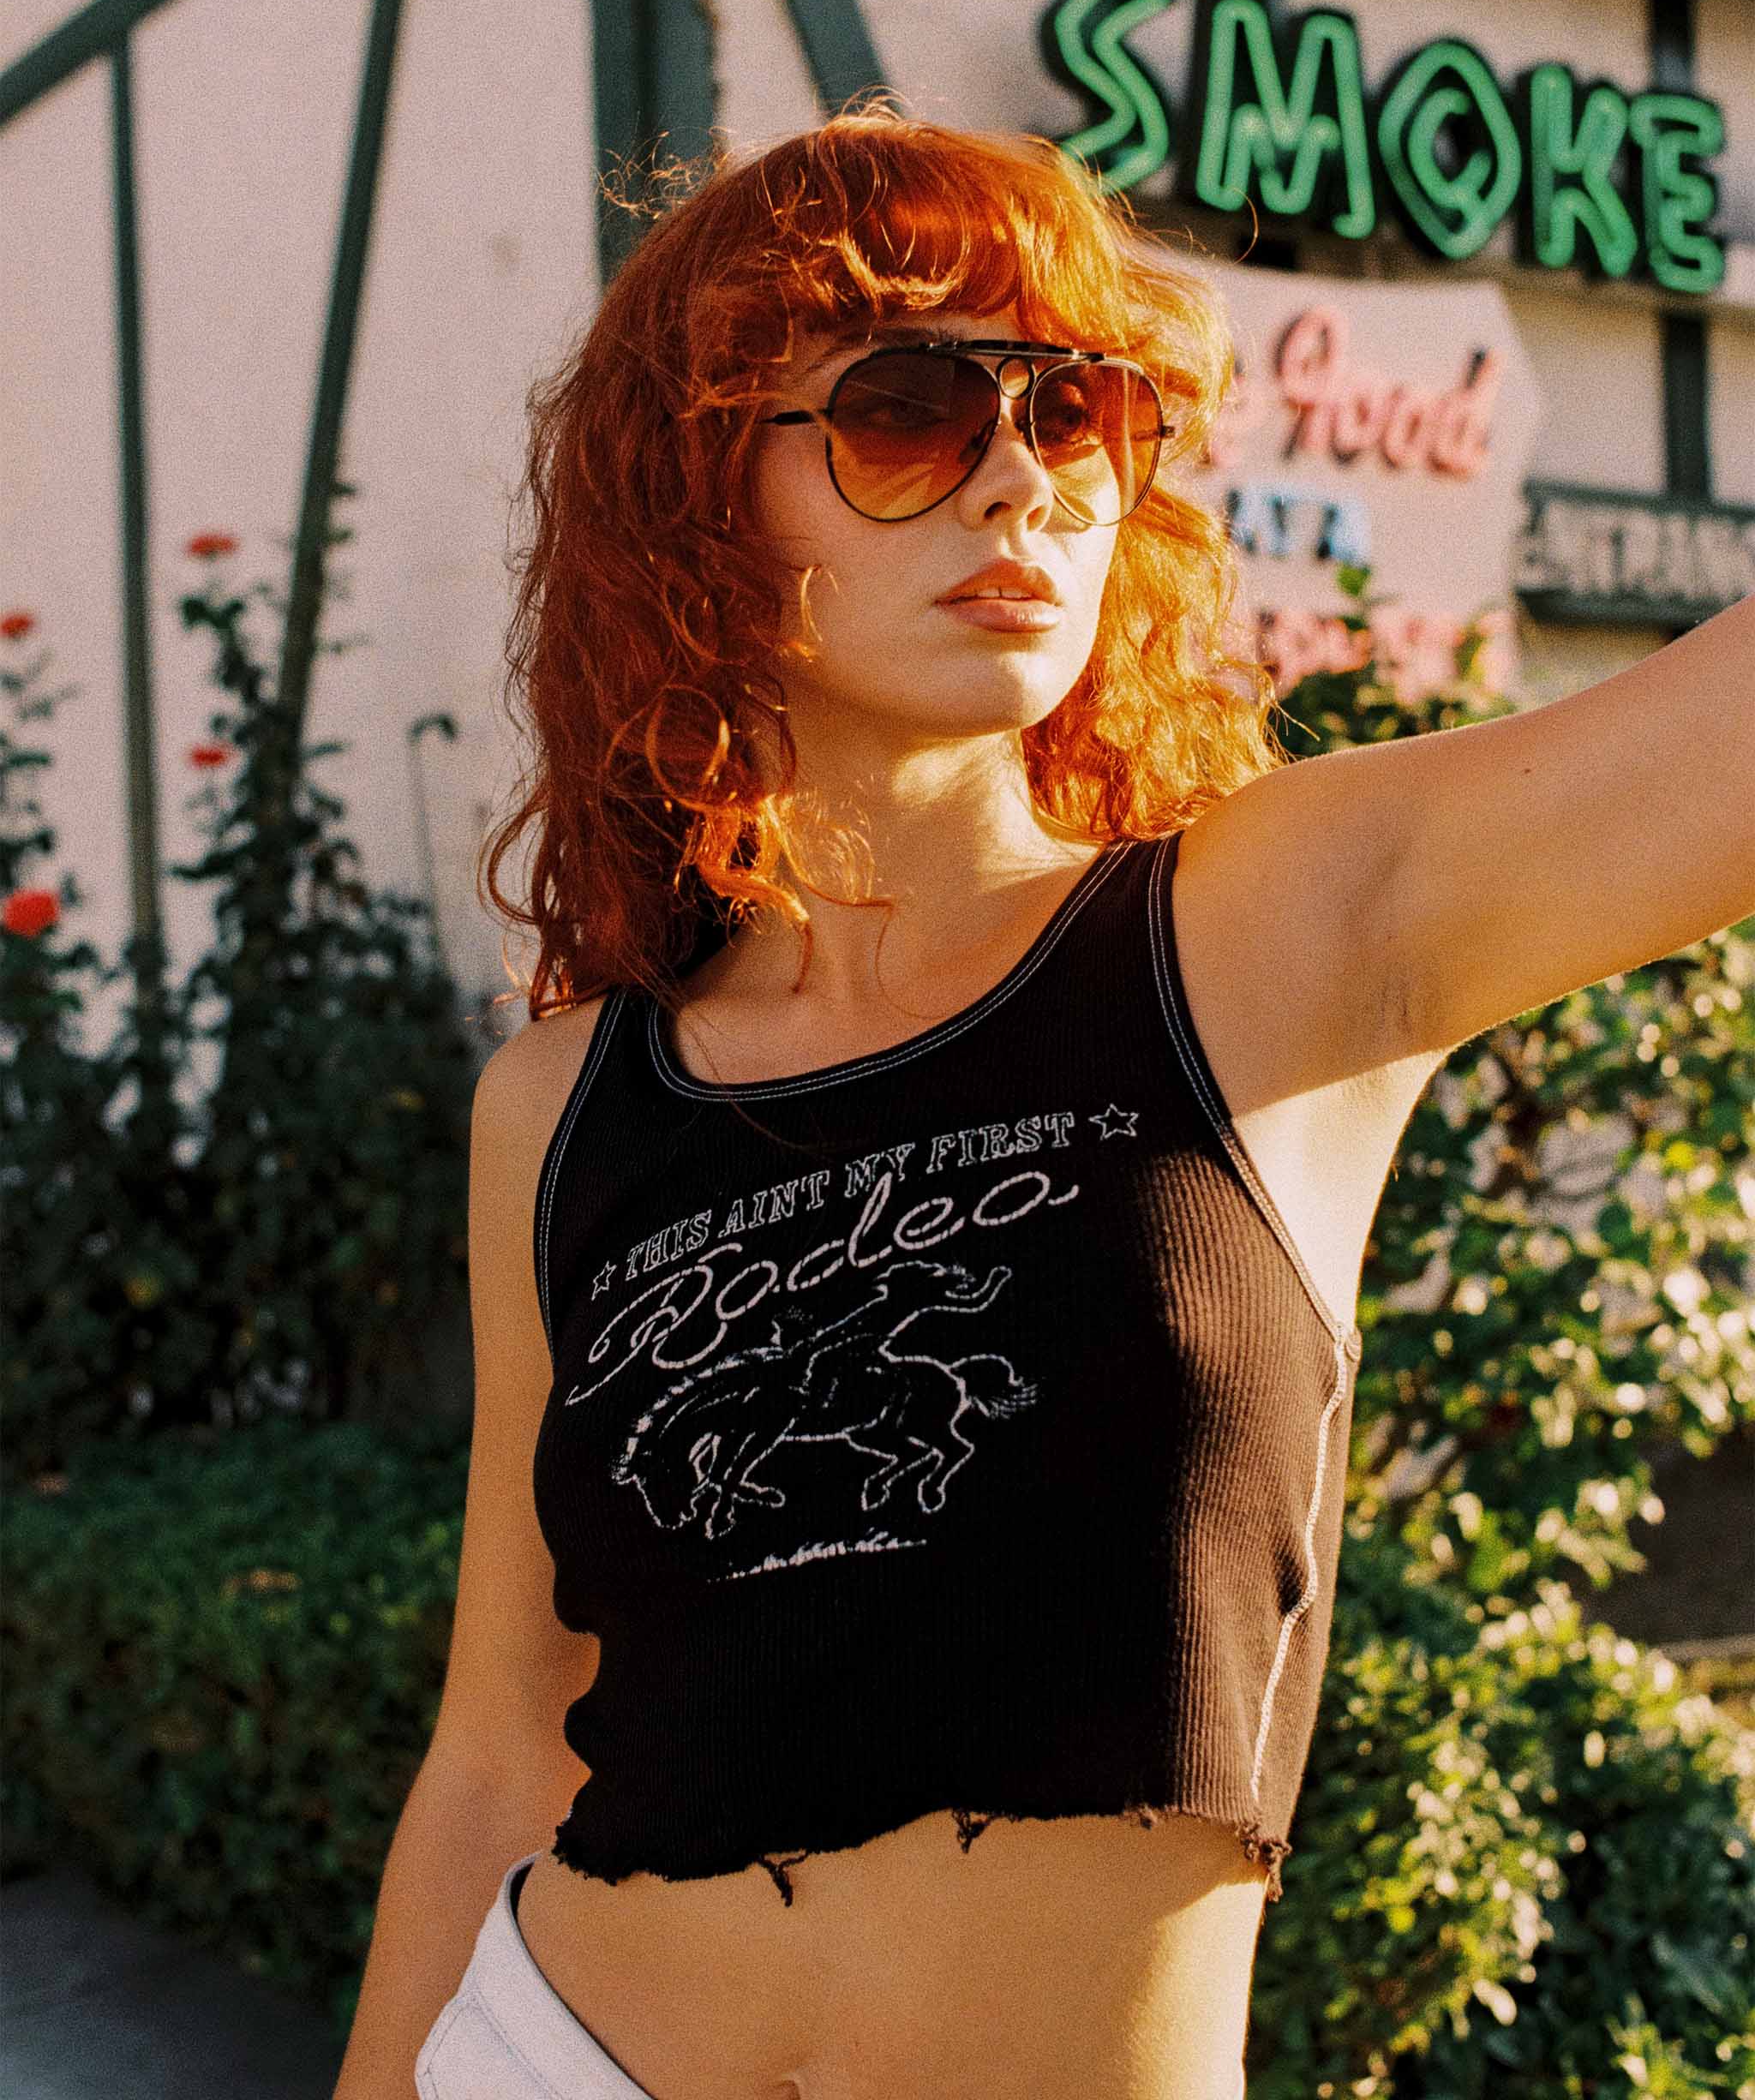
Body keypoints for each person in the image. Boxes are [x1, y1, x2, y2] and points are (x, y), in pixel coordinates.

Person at [331, 108, 1755, 2100]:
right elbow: (505, 1730)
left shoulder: (1268, 934)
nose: (1016, 476)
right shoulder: (559, 1106)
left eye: (1073, 410)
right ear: (696, 506)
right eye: (907, 411)